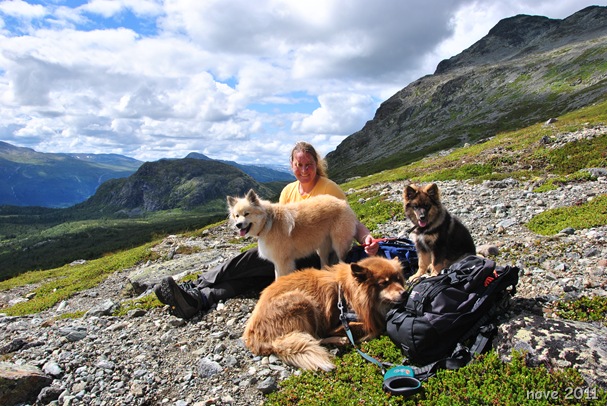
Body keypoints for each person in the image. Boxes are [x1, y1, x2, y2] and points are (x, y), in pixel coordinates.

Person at [154, 141, 379, 319]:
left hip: (312, 255)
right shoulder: (289, 190)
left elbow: (350, 220)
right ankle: (197, 294)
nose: (304, 169)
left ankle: (197, 293)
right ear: (292, 165)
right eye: (298, 165)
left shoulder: (329, 188)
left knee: (253, 263)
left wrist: (366, 237)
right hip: (287, 251)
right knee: (250, 269)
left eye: (308, 164)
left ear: (315, 164)